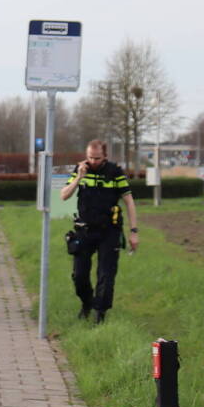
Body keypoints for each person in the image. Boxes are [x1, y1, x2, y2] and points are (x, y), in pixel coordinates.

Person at [60, 139, 139, 324]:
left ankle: (100, 314)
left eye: (97, 158)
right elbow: (64, 195)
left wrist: (133, 231)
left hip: (109, 231)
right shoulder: (80, 169)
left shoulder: (115, 172)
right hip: (84, 230)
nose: (93, 161)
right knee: (79, 275)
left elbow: (129, 201)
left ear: (105, 156)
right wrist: (79, 177)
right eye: (90, 157)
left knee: (106, 275)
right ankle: (87, 303)